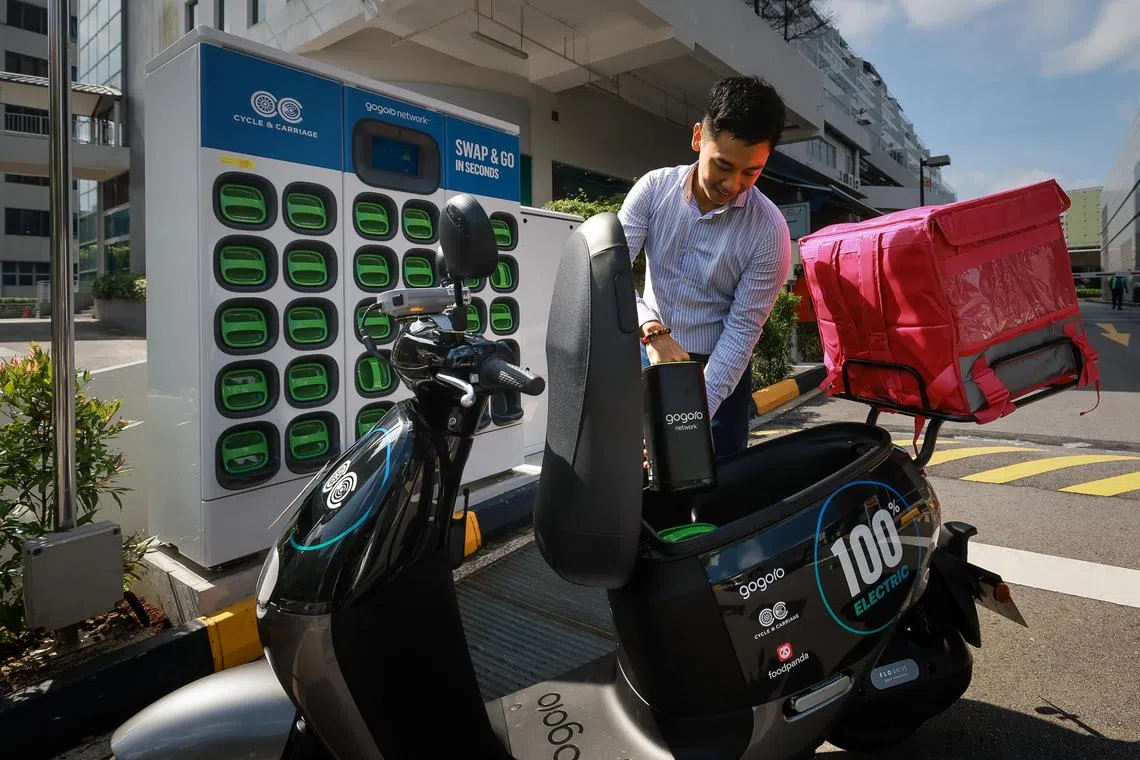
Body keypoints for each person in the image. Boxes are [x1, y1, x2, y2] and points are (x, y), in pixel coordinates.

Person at [618, 75, 793, 459]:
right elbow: (608, 278)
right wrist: (651, 331)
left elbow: (742, 333)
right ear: (699, 137)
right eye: (723, 165)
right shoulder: (652, 190)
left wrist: (691, 415)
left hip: (718, 375)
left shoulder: (769, 233)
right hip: (649, 354)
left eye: (752, 172)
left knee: (714, 494)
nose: (733, 184)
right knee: (634, 485)